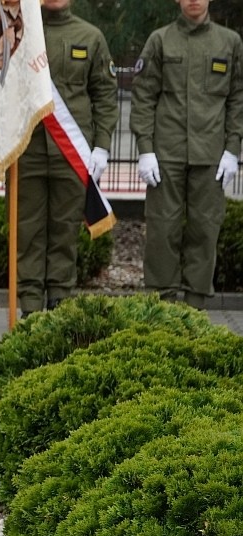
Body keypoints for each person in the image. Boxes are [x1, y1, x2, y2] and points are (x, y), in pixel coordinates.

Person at [132, 0, 243, 308]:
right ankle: (162, 306)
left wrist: (233, 148)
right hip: (166, 155)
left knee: (205, 230)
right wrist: (145, 150)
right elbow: (143, 97)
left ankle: (195, 308)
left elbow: (237, 98)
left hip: (211, 157)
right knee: (161, 231)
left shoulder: (230, 42)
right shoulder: (160, 40)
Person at [15, 0, 117, 317]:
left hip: (70, 153)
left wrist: (101, 145)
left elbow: (104, 94)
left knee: (64, 229)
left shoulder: (90, 36)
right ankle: (30, 305)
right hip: (26, 149)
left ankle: (59, 301)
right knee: (27, 229)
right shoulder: (18, 35)